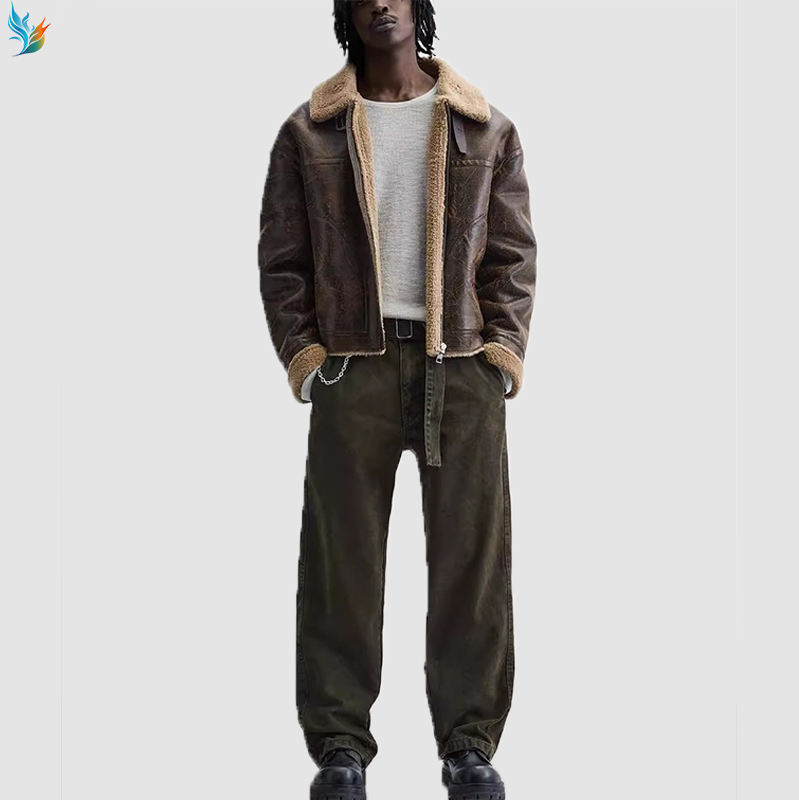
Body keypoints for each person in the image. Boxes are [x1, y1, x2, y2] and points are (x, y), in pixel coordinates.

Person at [258, 2, 537, 797]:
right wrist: (308, 358)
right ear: (345, 11)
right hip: (354, 368)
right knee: (341, 562)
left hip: (463, 367)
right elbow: (282, 258)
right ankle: (340, 749)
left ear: (420, 7)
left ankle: (469, 746)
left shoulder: (485, 126)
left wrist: (502, 355)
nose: (380, 3)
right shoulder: (308, 131)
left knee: (471, 562)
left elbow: (512, 254)